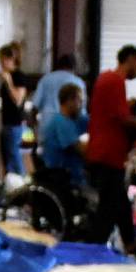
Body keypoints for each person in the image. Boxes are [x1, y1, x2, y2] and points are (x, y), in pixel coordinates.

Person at [86, 45, 136, 254]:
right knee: (109, 207)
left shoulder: (106, 79)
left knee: (120, 200)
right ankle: (94, 251)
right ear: (130, 59)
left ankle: (130, 241)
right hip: (108, 154)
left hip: (104, 152)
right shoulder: (115, 81)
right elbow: (122, 118)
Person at [37, 79, 92, 212]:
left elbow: (92, 123)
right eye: (80, 101)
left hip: (69, 176)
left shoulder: (73, 120)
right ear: (69, 101)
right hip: (64, 178)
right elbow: (82, 151)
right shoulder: (62, 123)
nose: (81, 106)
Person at [0, 40, 29, 182]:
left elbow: (18, 100)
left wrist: (9, 82)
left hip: (15, 124)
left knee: (15, 159)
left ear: (11, 59)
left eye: (3, 59)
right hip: (5, 122)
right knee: (6, 161)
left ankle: (23, 189)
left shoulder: (19, 76)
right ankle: (10, 186)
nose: (1, 63)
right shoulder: (3, 76)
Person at [31, 52, 81, 126]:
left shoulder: (46, 79)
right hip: (68, 123)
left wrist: (33, 122)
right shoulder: (78, 82)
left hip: (47, 121)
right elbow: (80, 109)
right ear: (74, 67)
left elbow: (35, 105)